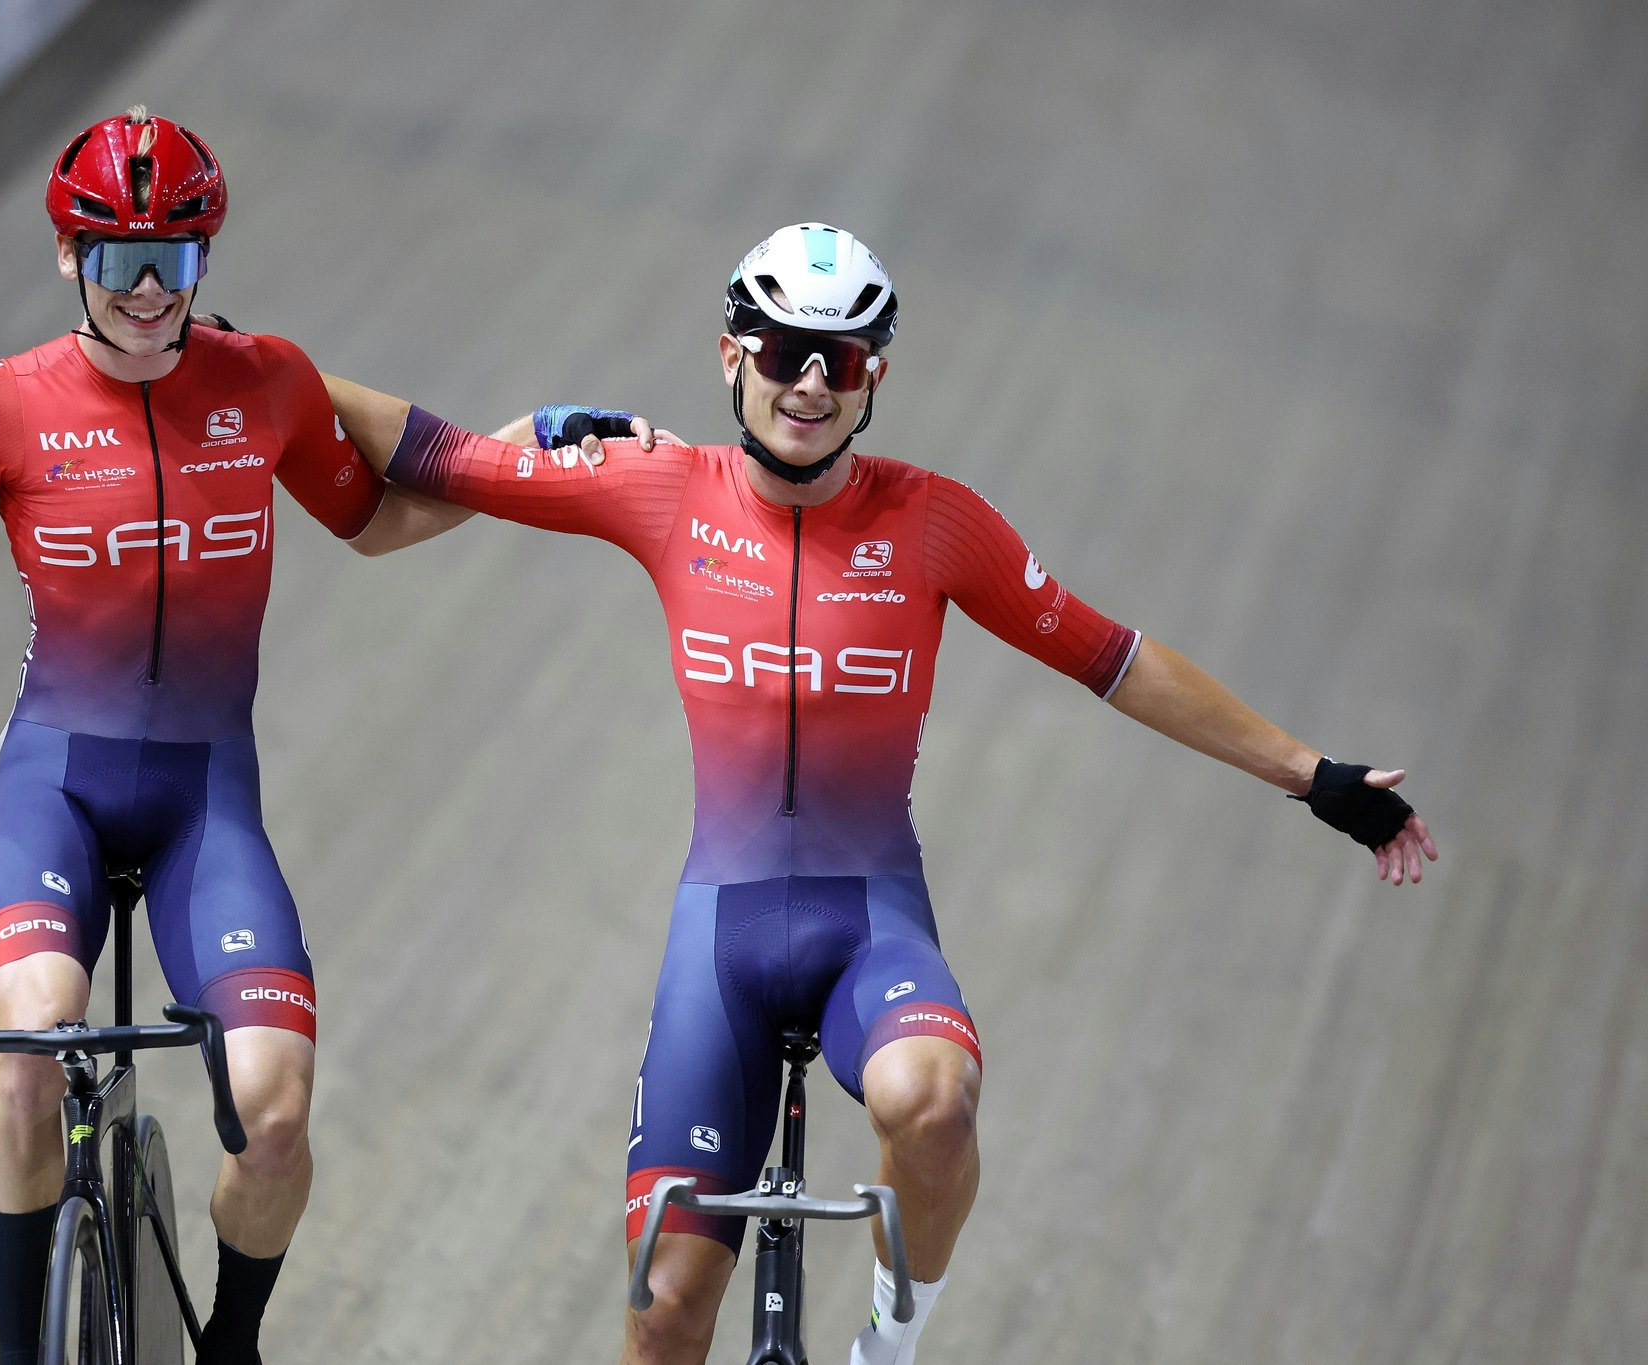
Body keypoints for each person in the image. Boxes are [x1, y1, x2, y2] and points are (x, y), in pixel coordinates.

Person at [320, 222, 1439, 1365]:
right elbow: (431, 456)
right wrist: (239, 361)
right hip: (725, 933)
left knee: (935, 1105)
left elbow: (1117, 659)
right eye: (781, 352)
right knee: (662, 1316)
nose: (808, 383)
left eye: (840, 361)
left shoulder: (934, 522)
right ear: (727, 358)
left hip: (870, 929)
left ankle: (889, 1341)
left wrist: (1310, 775)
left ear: (874, 380)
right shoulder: (659, 488)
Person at [0, 107, 471, 1365]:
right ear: (66, 256)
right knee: (30, 1048)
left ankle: (228, 1347)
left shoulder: (272, 385)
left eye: (175, 262)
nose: (146, 292)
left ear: (207, 263)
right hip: (60, 790)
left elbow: (376, 520)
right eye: (118, 258)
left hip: (206, 802)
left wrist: (517, 464)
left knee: (274, 1115)